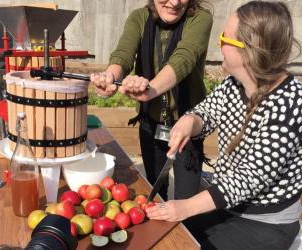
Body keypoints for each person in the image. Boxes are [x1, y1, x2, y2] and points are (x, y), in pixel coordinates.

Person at [146, 1, 302, 249]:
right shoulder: (235, 84)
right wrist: (190, 121)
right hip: (228, 205)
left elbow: (249, 178)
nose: (218, 43)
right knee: (167, 234)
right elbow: (207, 112)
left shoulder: (289, 103)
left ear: (250, 52)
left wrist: (186, 206)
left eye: (225, 38)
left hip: (265, 223)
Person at [90, 0, 213, 201]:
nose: (174, 2)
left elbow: (185, 58)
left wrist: (150, 90)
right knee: (156, 192)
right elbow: (124, 54)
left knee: (187, 200)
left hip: (187, 126)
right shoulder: (139, 18)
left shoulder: (200, 18)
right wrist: (110, 77)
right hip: (151, 122)